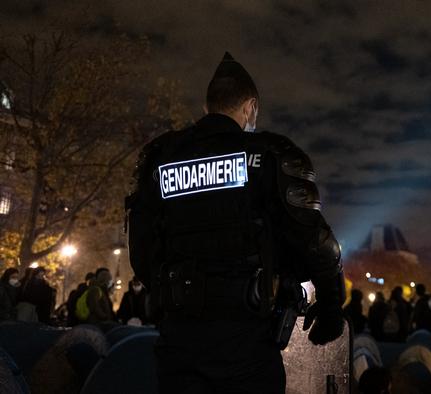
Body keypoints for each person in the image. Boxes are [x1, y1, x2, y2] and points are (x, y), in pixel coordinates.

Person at [126, 53, 345, 393]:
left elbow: (141, 256)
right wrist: (331, 306)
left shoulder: (159, 158)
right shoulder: (270, 154)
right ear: (250, 107)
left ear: (206, 106)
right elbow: (318, 244)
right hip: (249, 344)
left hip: (179, 344)